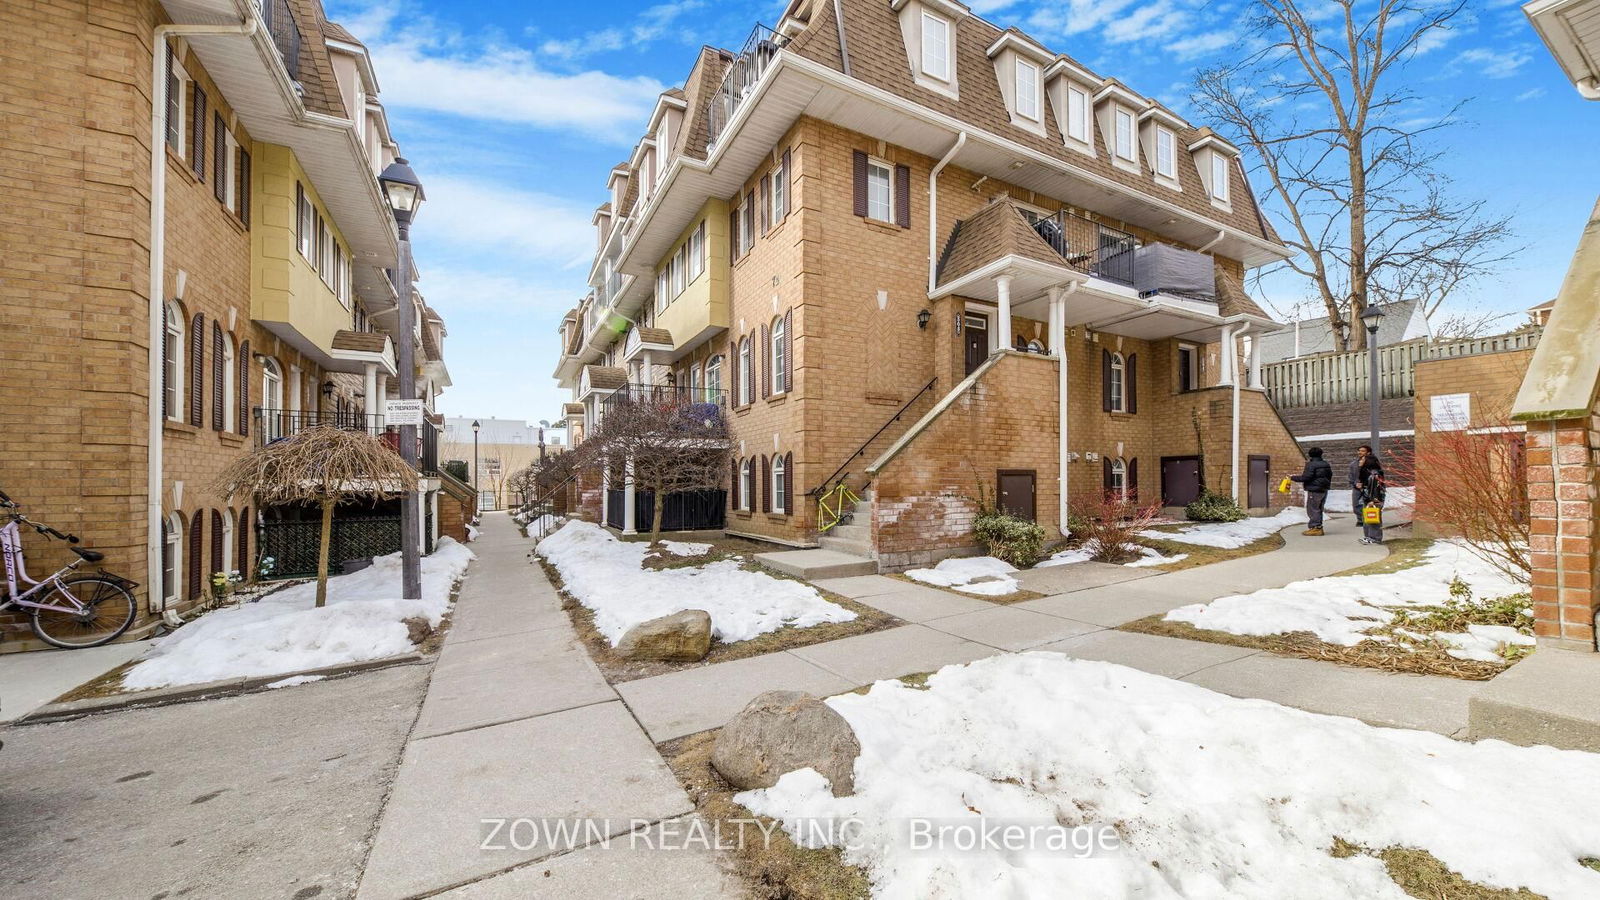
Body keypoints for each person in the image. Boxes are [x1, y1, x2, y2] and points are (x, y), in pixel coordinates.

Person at [1289, 447, 1333, 535]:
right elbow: (1330, 475)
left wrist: (1292, 477)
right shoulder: (1326, 464)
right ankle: (1318, 527)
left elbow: (1306, 477)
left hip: (1314, 489)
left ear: (1310, 455)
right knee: (1319, 508)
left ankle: (1315, 528)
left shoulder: (1311, 464)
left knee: (1313, 509)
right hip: (1324, 489)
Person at [1357, 453, 1387, 545]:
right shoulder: (1367, 472)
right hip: (1368, 499)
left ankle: (1375, 538)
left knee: (1373, 519)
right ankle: (1369, 537)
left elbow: (1375, 489)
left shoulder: (1374, 474)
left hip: (1373, 500)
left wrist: (1372, 500)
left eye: (1362, 459)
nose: (1360, 461)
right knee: (1368, 519)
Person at [1349, 445, 1372, 517]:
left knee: (1370, 505)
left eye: (1363, 451)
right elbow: (1351, 475)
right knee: (1355, 506)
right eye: (1359, 451)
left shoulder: (1372, 463)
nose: (1360, 452)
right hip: (1356, 487)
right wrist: (1354, 484)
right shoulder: (1353, 464)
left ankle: (1370, 520)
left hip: (1368, 487)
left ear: (1368, 453)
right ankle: (1362, 519)